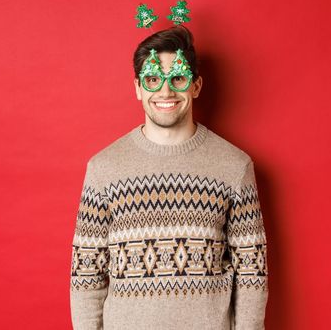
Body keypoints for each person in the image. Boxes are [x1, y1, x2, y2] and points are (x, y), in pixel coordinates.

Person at [69, 25, 268, 330]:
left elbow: (252, 275)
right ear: (138, 87)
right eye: (152, 80)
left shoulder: (235, 167)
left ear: (196, 86)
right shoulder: (103, 169)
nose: (165, 91)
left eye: (177, 78)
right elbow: (86, 275)